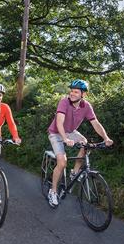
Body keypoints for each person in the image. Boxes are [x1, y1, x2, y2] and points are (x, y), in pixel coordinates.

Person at [47, 79, 113, 207]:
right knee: (62, 162)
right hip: (56, 132)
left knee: (85, 143)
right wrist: (65, 139)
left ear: (83, 94)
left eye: (76, 92)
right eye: (71, 91)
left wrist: (106, 138)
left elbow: (95, 123)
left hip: (71, 132)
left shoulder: (86, 106)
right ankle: (53, 191)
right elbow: (59, 122)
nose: (72, 93)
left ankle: (74, 172)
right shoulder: (64, 102)